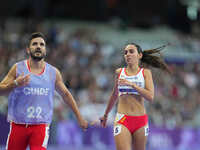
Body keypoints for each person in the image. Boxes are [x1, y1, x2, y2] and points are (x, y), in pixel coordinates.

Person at [0, 32, 88, 150]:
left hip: (40, 126)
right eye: (34, 44)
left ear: (45, 50)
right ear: (28, 49)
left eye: (42, 44)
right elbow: (1, 90)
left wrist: (79, 116)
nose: (38, 46)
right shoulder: (18, 68)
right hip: (18, 125)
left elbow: (66, 95)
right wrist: (15, 83)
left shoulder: (53, 72)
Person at [99, 43, 171, 150]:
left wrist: (132, 84)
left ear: (139, 55)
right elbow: (114, 95)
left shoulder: (146, 73)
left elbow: (150, 96)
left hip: (140, 120)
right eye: (125, 52)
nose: (128, 54)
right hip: (122, 118)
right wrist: (105, 115)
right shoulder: (119, 72)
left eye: (131, 51)